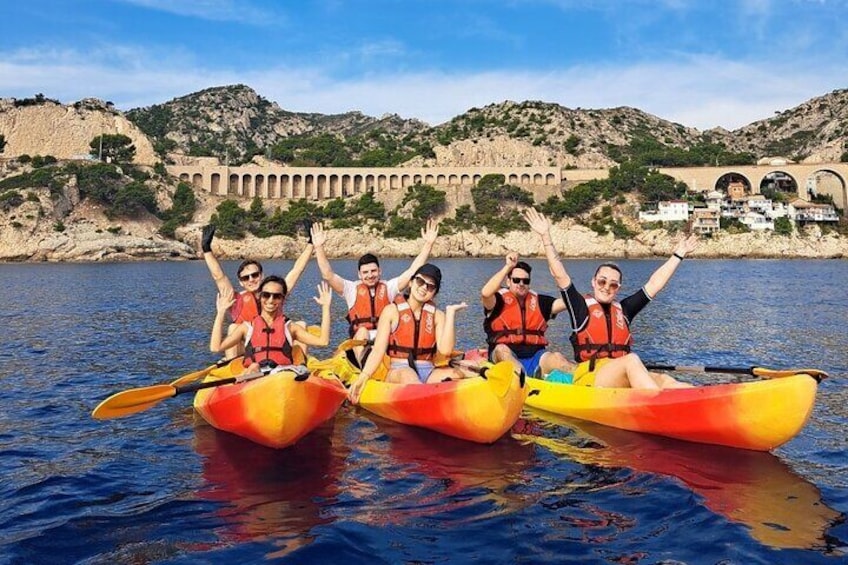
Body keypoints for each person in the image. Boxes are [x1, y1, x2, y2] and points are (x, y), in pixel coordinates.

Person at [524, 208, 697, 390]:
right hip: (590, 378)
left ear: (618, 288)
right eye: (602, 281)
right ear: (594, 282)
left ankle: (697, 399)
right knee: (632, 360)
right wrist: (546, 237)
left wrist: (679, 254)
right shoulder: (580, 307)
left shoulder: (624, 310)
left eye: (613, 284)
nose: (606, 287)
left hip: (619, 374)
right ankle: (656, 406)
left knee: (664, 380)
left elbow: (654, 284)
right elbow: (559, 275)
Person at [310, 218, 439, 366]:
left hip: (385, 337)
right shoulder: (350, 289)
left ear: (379, 271)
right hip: (361, 338)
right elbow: (328, 274)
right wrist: (318, 248)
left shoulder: (389, 288)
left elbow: (412, 271)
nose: (370, 275)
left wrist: (429, 244)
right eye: (365, 272)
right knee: (363, 330)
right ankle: (366, 366)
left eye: (373, 271)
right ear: (359, 274)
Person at [348, 264, 469, 404]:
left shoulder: (438, 315)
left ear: (434, 293)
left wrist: (451, 314)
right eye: (420, 281)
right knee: (409, 376)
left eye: (430, 286)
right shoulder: (391, 311)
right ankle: (428, 402)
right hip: (399, 370)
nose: (424, 288)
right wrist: (364, 376)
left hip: (429, 370)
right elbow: (378, 351)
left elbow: (445, 350)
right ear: (411, 282)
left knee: (460, 374)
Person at [200, 223, 314, 358]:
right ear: (241, 282)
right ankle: (231, 366)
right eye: (246, 277)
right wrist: (207, 250)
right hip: (247, 349)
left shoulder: (275, 294)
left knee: (301, 324)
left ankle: (301, 368)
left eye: (255, 275)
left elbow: (296, 271)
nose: (251, 279)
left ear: (262, 276)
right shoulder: (235, 299)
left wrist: (311, 244)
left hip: (273, 344)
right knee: (233, 328)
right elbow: (219, 276)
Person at [210, 276, 333, 374]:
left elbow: (323, 341)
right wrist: (221, 313)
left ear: (283, 299)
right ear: (260, 296)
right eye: (266, 295)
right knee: (253, 366)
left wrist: (326, 307)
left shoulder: (290, 328)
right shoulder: (247, 328)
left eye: (277, 296)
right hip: (254, 375)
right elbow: (216, 347)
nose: (270, 300)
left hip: (283, 374)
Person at [481, 253, 575, 379]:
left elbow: (570, 302)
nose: (521, 283)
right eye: (516, 280)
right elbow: (485, 293)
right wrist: (508, 267)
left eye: (525, 281)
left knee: (558, 358)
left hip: (535, 356)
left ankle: (588, 381)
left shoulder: (540, 302)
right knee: (501, 350)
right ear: (508, 281)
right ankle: (523, 378)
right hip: (505, 354)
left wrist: (560, 277)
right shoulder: (497, 300)